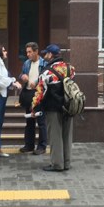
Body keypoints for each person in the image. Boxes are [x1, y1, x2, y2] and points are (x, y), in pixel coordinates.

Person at [32, 44, 75, 172]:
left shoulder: (46, 72)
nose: (44, 56)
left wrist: (34, 108)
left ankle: (57, 164)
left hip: (53, 108)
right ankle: (66, 163)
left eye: (46, 53)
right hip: (69, 106)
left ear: (50, 55)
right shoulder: (70, 69)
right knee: (67, 135)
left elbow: (39, 93)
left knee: (55, 136)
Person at [18, 42, 48, 155]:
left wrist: (37, 84)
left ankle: (42, 146)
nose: (28, 54)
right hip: (28, 94)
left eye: (30, 52)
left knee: (41, 122)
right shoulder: (27, 63)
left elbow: (47, 79)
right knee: (29, 121)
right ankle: (29, 145)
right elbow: (21, 74)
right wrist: (22, 76)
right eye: (27, 52)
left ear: (36, 51)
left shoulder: (43, 64)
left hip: (39, 94)